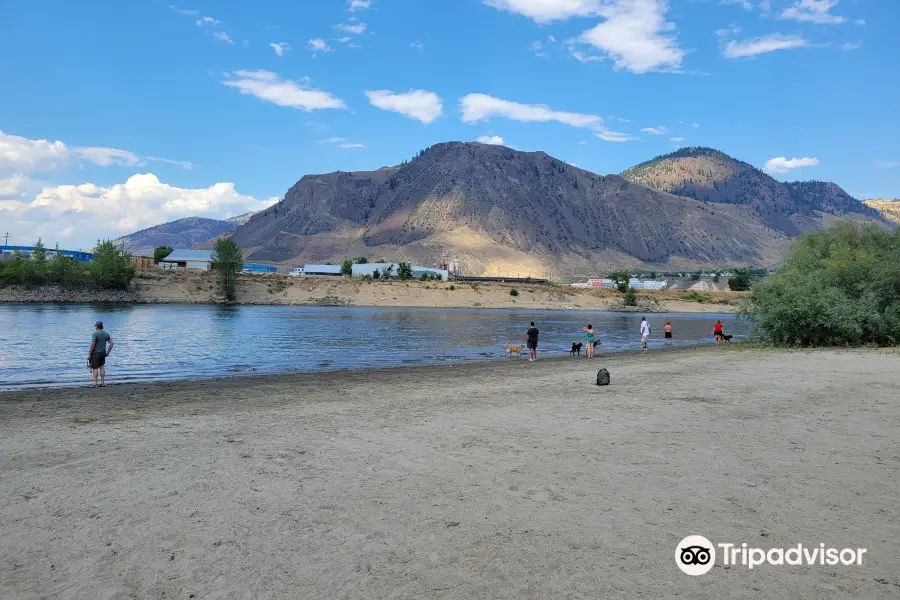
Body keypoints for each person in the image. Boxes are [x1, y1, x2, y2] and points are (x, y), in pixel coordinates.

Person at [88, 321, 114, 387]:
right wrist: (108, 352)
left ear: (96, 326)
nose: (95, 327)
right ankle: (102, 383)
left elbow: (93, 344)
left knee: (95, 368)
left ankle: (95, 383)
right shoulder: (106, 334)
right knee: (102, 367)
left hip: (96, 353)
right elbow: (112, 343)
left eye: (95, 326)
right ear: (102, 326)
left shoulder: (95, 334)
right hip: (103, 353)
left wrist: (89, 353)